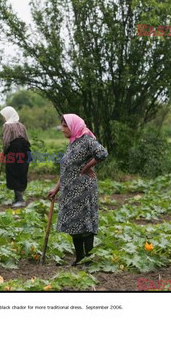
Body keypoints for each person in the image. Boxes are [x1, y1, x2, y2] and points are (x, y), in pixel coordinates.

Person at [47, 114, 108, 266]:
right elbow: (68, 169)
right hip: (70, 190)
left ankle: (88, 260)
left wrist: (87, 167)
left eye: (65, 126)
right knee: (74, 223)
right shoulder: (73, 142)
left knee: (86, 224)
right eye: (62, 126)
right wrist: (56, 189)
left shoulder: (87, 140)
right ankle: (79, 258)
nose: (63, 129)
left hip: (83, 189)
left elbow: (102, 153)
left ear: (74, 125)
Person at [0, 106, 31, 208]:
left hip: (14, 150)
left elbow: (6, 141)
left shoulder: (7, 126)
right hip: (25, 150)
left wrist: (4, 152)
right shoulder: (21, 125)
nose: (4, 118)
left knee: (14, 174)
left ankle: (19, 199)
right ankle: (18, 198)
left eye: (4, 116)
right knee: (21, 173)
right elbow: (26, 139)